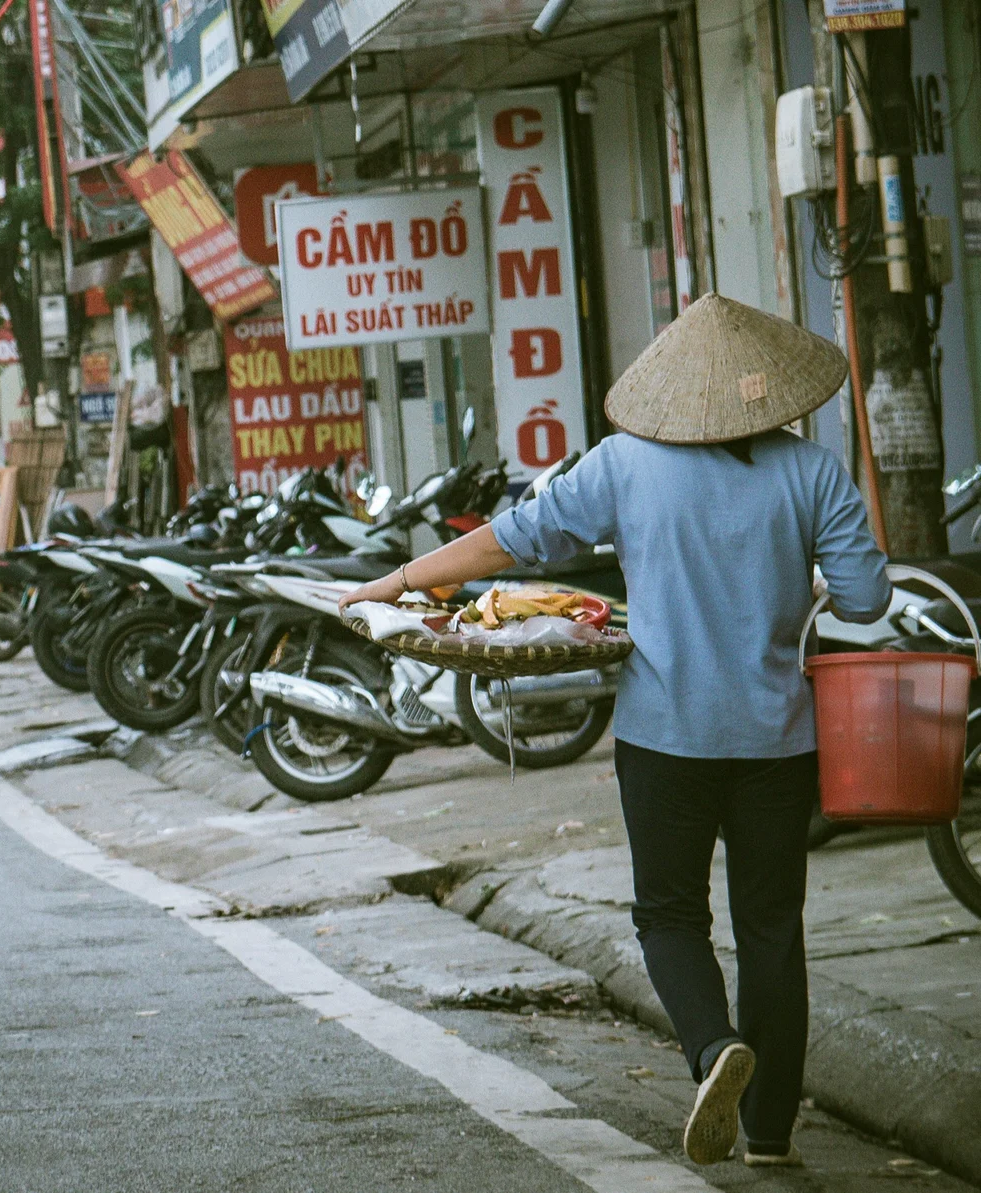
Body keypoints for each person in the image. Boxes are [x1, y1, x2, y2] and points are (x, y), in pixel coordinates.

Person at [339, 294, 891, 1169]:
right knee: (773, 930)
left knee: (668, 916)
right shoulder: (813, 471)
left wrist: (395, 579)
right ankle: (773, 1137)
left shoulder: (625, 464)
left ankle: (714, 1050)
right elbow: (866, 599)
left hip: (664, 737)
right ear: (765, 392)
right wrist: (806, 586)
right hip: (779, 742)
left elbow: (505, 543)